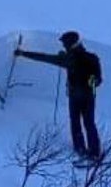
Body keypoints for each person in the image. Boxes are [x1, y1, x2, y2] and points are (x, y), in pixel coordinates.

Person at [15, 31, 102, 160]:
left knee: (76, 122)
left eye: (64, 44)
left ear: (70, 44)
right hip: (89, 96)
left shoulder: (68, 58)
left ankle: (80, 150)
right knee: (89, 123)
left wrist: (23, 53)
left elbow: (44, 58)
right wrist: (92, 82)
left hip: (75, 96)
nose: (63, 46)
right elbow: (99, 79)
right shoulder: (92, 57)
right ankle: (94, 153)